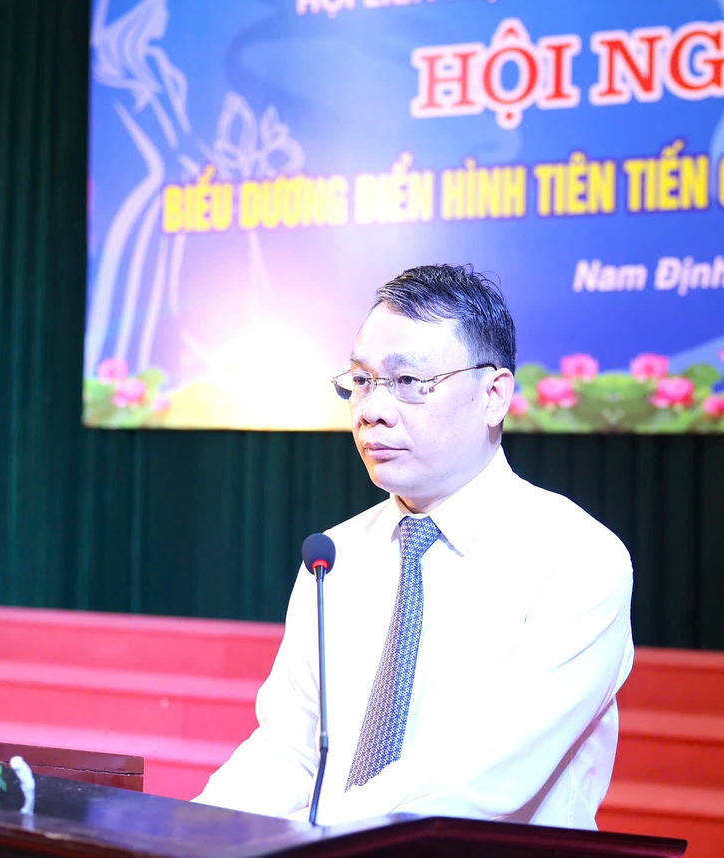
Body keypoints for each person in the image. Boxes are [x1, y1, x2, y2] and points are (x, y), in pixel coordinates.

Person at [195, 263, 633, 828]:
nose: (372, 410)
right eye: (361, 381)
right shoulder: (334, 556)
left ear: (494, 395)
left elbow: (482, 776)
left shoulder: (577, 558)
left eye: (407, 381)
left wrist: (315, 837)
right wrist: (191, 833)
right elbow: (290, 750)